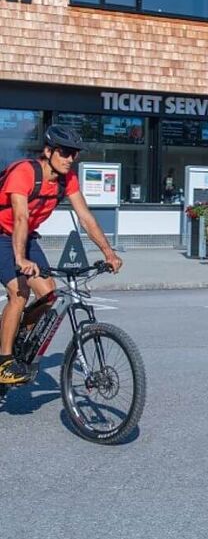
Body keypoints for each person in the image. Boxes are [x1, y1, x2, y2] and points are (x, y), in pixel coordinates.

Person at [0, 125, 123, 384]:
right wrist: (20, 259)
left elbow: (86, 218)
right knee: (20, 292)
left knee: (48, 294)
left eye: (74, 154)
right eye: (65, 153)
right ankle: (4, 362)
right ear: (48, 151)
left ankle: (19, 336)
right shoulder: (24, 172)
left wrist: (109, 253)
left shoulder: (68, 180)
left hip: (25, 236)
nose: (70, 159)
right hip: (2, 234)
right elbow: (20, 217)